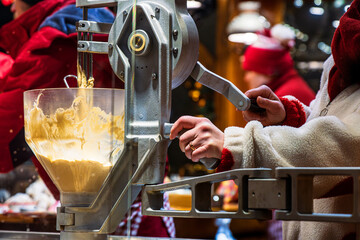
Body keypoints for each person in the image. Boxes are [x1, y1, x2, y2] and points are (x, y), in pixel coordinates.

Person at [170, 0, 360, 239]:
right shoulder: (339, 57)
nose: (246, 75)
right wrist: (287, 117)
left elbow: (341, 146)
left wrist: (235, 145)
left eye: (250, 69)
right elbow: (330, 119)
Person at [0, 0, 175, 237]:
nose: (10, 7)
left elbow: (5, 128)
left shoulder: (54, 41)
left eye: (12, 0)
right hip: (139, 208)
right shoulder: (102, 22)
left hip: (118, 216)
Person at [242, 23, 316, 106]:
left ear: (267, 70)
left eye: (250, 71)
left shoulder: (286, 97)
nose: (246, 78)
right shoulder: (286, 88)